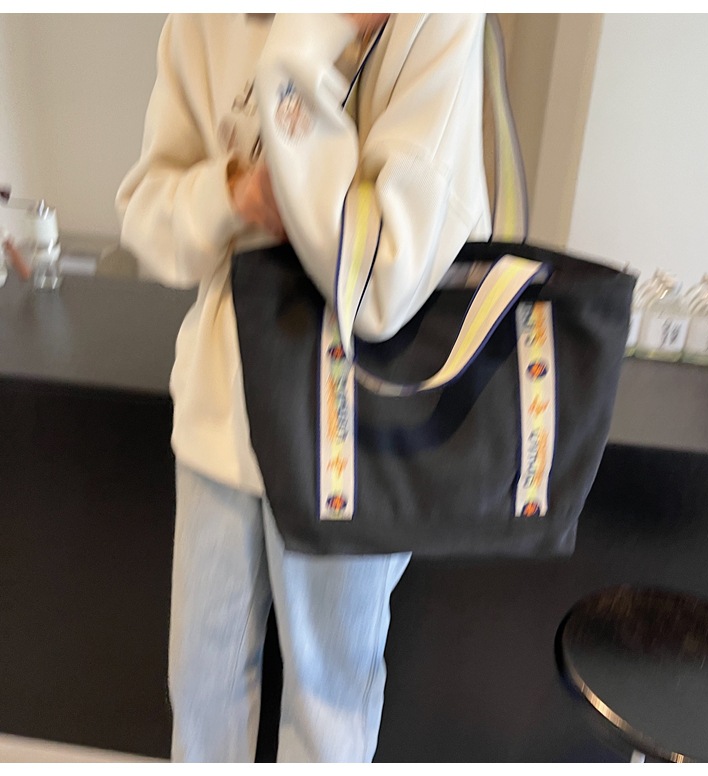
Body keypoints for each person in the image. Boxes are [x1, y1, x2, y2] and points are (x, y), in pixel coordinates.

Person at [116, 12, 492, 763]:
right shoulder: (206, 19)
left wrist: (305, 39)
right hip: (221, 409)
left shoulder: (433, 16)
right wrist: (235, 196)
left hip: (357, 429)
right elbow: (147, 216)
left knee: (327, 702)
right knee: (202, 687)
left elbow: (382, 279)